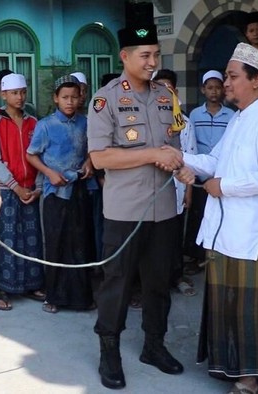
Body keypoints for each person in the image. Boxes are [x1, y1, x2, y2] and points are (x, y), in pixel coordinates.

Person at [174, 42, 258, 394]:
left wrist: (223, 186)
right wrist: (181, 159)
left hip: (253, 235)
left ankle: (248, 381)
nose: (225, 83)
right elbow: (214, 161)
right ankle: (228, 365)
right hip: (227, 232)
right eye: (226, 76)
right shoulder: (240, 119)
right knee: (225, 303)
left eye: (232, 76)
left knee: (248, 309)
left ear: (256, 80)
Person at [87, 19, 185, 390]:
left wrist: (173, 157)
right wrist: (151, 154)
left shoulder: (166, 96)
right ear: (125, 56)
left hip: (165, 209)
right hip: (125, 211)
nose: (152, 62)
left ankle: (154, 345)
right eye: (145, 55)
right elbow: (99, 158)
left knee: (160, 282)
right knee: (118, 283)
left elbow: (175, 143)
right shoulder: (105, 99)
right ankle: (109, 350)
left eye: (156, 55)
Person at [26, 75, 96, 314]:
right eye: (65, 97)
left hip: (79, 189)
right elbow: (31, 154)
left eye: (74, 97)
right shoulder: (45, 125)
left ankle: (82, 297)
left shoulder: (85, 123)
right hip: (55, 191)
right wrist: (49, 173)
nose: (69, 102)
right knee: (56, 243)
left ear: (80, 98)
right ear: (56, 99)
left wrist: (89, 162)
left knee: (81, 242)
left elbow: (94, 150)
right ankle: (53, 296)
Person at [0, 73, 45, 311]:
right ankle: (4, 289)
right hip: (8, 190)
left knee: (32, 239)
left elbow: (41, 156)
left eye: (22, 92)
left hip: (32, 189)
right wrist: (15, 186)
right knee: (8, 239)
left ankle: (32, 284)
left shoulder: (34, 122)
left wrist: (38, 186)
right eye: (14, 93)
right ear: (3, 95)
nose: (20, 97)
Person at [152, 69, 198, 297]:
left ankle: (176, 276)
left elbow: (191, 155)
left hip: (179, 188)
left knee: (175, 235)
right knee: (155, 239)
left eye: (168, 88)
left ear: (175, 91)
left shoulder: (186, 123)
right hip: (154, 189)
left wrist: (189, 191)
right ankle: (155, 281)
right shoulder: (148, 119)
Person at [185, 70, 234, 273]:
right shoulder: (195, 114)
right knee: (198, 215)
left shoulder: (231, 116)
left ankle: (216, 254)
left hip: (221, 174)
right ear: (203, 90)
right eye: (210, 88)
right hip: (199, 172)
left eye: (218, 87)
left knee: (221, 217)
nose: (214, 92)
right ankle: (196, 256)